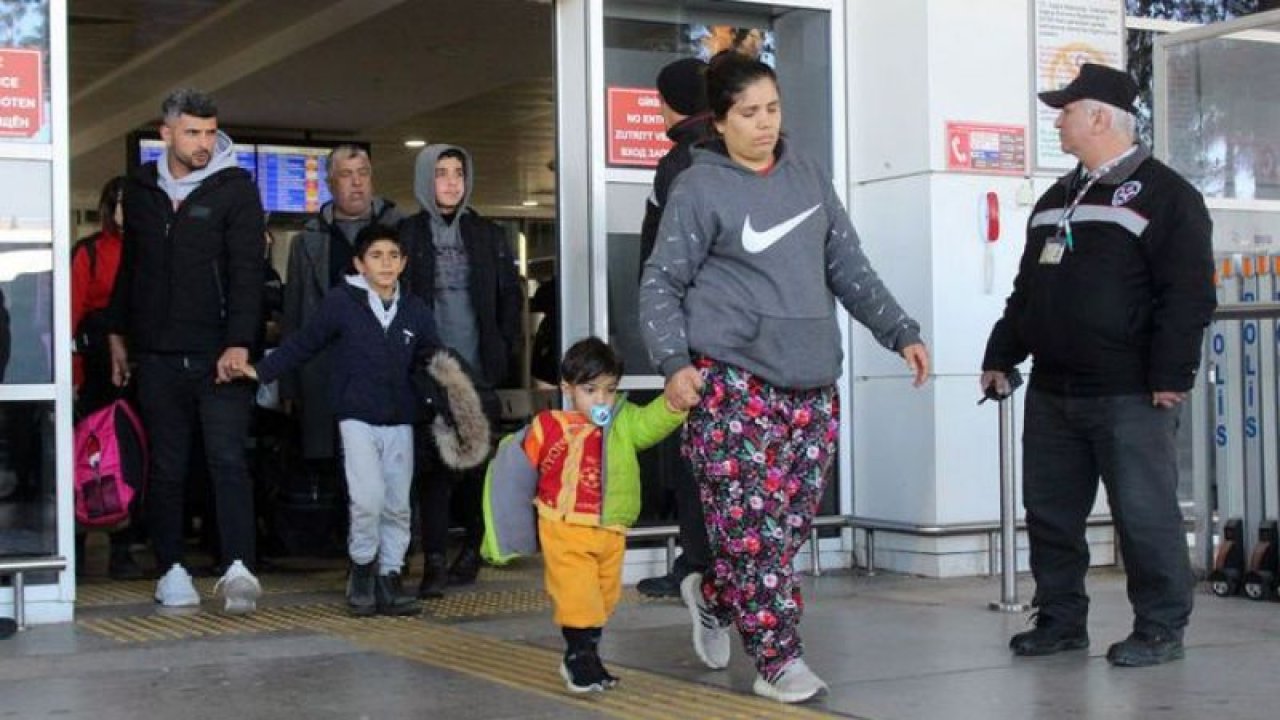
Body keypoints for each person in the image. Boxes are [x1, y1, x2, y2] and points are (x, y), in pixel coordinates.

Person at [639, 52, 929, 704]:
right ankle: (779, 660)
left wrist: (900, 331)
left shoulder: (807, 177)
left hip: (810, 380)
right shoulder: (698, 187)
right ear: (719, 120)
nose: (765, 124)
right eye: (749, 113)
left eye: (773, 109)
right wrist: (674, 363)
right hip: (731, 380)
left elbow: (849, 267)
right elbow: (661, 283)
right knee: (754, 531)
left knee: (785, 529)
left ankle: (712, 593)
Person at [981, 63, 1215, 668]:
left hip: (1129, 393)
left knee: (1144, 515)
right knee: (1051, 515)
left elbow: (1188, 295)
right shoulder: (1058, 198)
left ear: (1101, 118)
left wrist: (1171, 375)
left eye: (1067, 109)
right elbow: (1026, 291)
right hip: (1054, 392)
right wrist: (1001, 353)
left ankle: (1161, 627)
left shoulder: (1169, 196)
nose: (1058, 119)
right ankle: (1061, 621)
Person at [233, 224, 445, 617]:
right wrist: (261, 371)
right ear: (359, 264)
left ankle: (390, 577)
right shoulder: (341, 302)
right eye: (376, 256)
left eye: (393, 256)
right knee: (368, 500)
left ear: (404, 263)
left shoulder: (416, 309)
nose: (385, 264)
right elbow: (304, 341)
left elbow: (433, 360)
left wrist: (452, 401)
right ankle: (362, 571)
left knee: (398, 504)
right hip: (356, 416)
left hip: (401, 418)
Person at [106, 88, 265, 614]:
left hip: (220, 356)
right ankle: (171, 567)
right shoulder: (142, 189)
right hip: (156, 355)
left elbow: (248, 273)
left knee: (226, 460)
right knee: (168, 467)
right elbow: (131, 269)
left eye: (209, 132)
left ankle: (239, 567)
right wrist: (117, 333)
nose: (203, 142)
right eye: (192, 132)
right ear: (166, 133)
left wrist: (240, 342)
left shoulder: (236, 189)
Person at [489, 337, 685, 692]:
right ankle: (579, 657)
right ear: (567, 388)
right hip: (564, 525)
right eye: (590, 389)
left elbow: (650, 423)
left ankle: (587, 653)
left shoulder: (623, 424)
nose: (601, 399)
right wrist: (512, 526)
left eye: (610, 390)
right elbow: (515, 471)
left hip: (610, 527)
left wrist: (674, 403)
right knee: (578, 595)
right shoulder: (549, 426)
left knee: (604, 596)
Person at [401, 144, 522, 598]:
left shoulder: (487, 234)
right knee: (433, 468)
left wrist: (505, 347)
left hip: (479, 369)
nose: (451, 182)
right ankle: (432, 561)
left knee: (475, 466)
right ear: (424, 180)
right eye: (441, 174)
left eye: (458, 173)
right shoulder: (408, 233)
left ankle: (470, 548)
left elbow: (509, 294)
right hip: (428, 369)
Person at [634, 57, 715, 600]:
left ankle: (697, 564)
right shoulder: (724, 155)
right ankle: (716, 562)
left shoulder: (681, 161)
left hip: (695, 337)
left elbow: (664, 258)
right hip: (729, 335)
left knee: (694, 456)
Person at [281, 145, 402, 479]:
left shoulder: (399, 231)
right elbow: (293, 315)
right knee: (330, 473)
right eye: (347, 175)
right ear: (330, 183)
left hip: (383, 374)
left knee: (384, 475)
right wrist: (289, 385)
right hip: (324, 375)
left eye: (363, 174)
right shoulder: (308, 240)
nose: (357, 183)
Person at [71, 176, 143, 580]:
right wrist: (74, 374)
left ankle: (123, 547)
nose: (126, 211)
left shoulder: (151, 253)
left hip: (140, 365)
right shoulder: (90, 252)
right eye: (120, 203)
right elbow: (69, 316)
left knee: (130, 457)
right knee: (91, 456)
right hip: (97, 370)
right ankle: (79, 545)